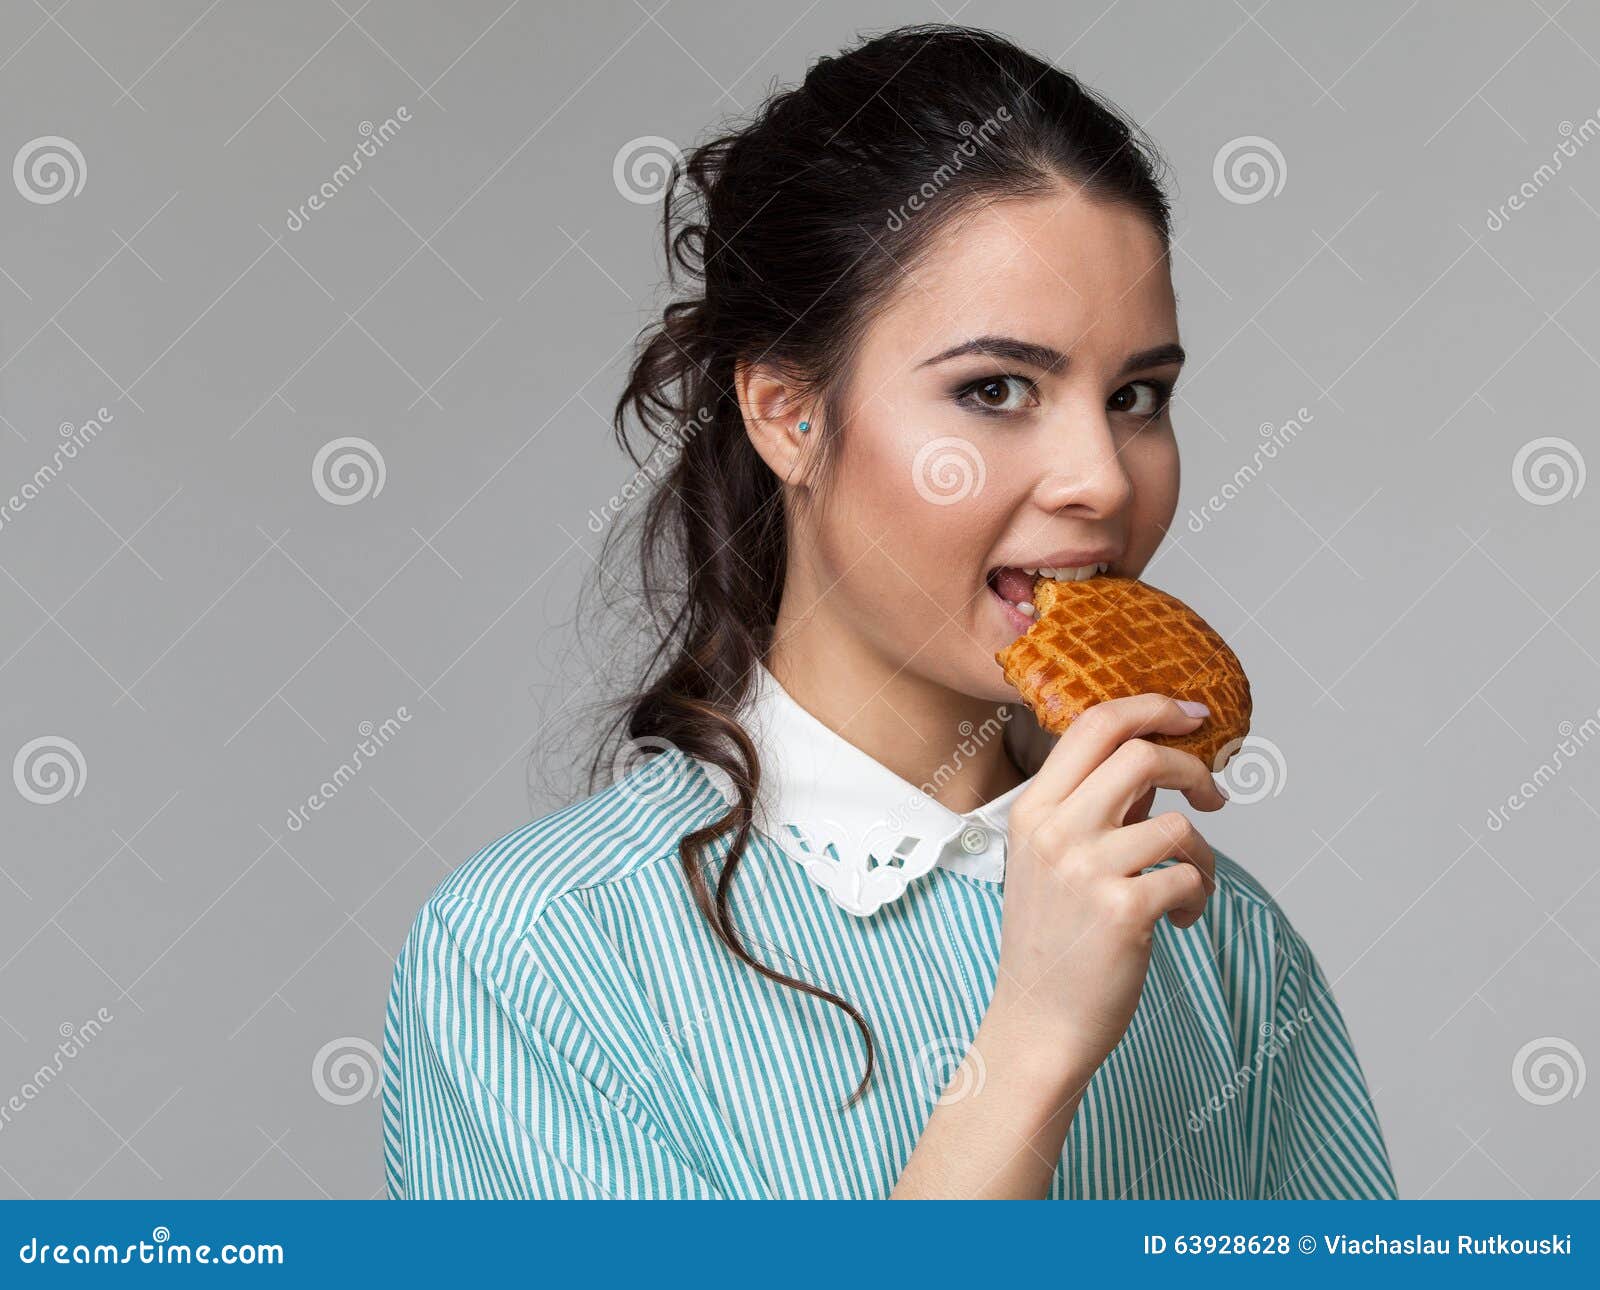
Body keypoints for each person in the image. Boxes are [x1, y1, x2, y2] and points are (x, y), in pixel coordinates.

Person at [382, 22, 1397, 1200]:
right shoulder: (536, 957)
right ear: (787, 415)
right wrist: (1028, 1049)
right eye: (995, 389)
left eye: (1135, 396)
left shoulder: (1216, 938)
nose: (1103, 480)